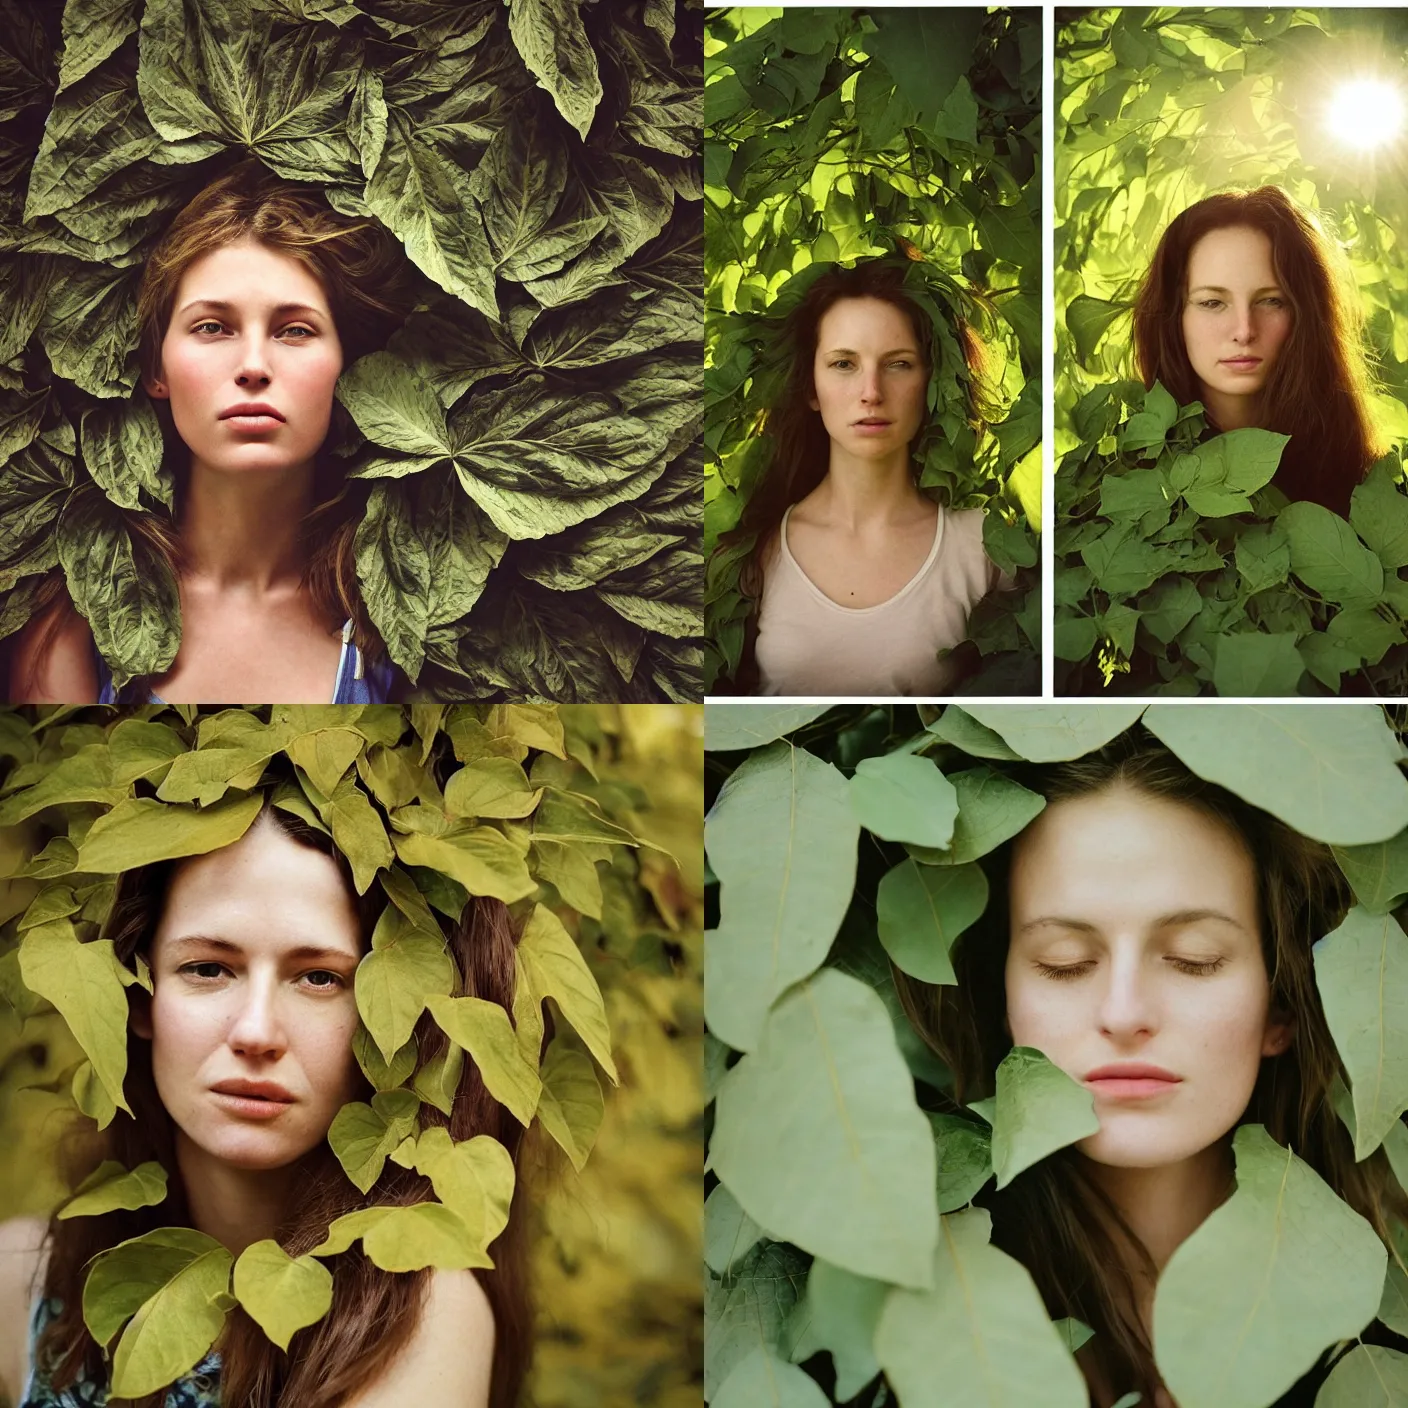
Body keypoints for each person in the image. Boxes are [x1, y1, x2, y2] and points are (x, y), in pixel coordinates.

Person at [894, 733, 1408, 1407]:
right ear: (1003, 1001)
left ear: (1281, 1004)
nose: (1124, 1012)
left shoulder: (1381, 1342)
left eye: (1194, 958)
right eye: (1065, 960)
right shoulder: (904, 1312)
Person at [0, 799, 529, 1408]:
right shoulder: (27, 1278)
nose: (255, 1032)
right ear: (138, 995)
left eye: (320, 978)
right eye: (207, 968)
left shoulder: (422, 1314)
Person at [7, 158, 417, 704]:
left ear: (345, 368)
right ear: (156, 368)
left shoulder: (397, 626)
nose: (253, 365)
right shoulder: (74, 630)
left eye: (295, 330)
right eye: (212, 327)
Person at [720, 259, 1009, 696]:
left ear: (931, 382)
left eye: (898, 364)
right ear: (810, 388)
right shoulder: (756, 550)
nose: (871, 392)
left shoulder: (982, 547)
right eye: (843, 364)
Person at [1133, 186, 1383, 518]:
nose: (1244, 330)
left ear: (1305, 315)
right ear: (1173, 315)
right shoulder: (1117, 481)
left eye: (1270, 301)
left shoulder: (1369, 490)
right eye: (1212, 302)